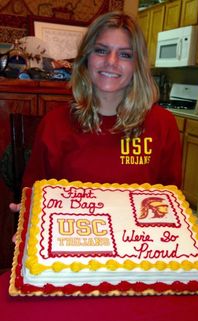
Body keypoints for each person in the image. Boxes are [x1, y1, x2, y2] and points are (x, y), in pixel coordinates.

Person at [10, 11, 182, 225]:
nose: (111, 62)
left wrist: (189, 243)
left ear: (137, 65)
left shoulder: (163, 124)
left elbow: (170, 201)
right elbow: (35, 194)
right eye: (101, 51)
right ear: (86, 58)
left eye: (125, 54)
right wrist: (28, 220)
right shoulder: (54, 124)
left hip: (138, 248)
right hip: (73, 246)